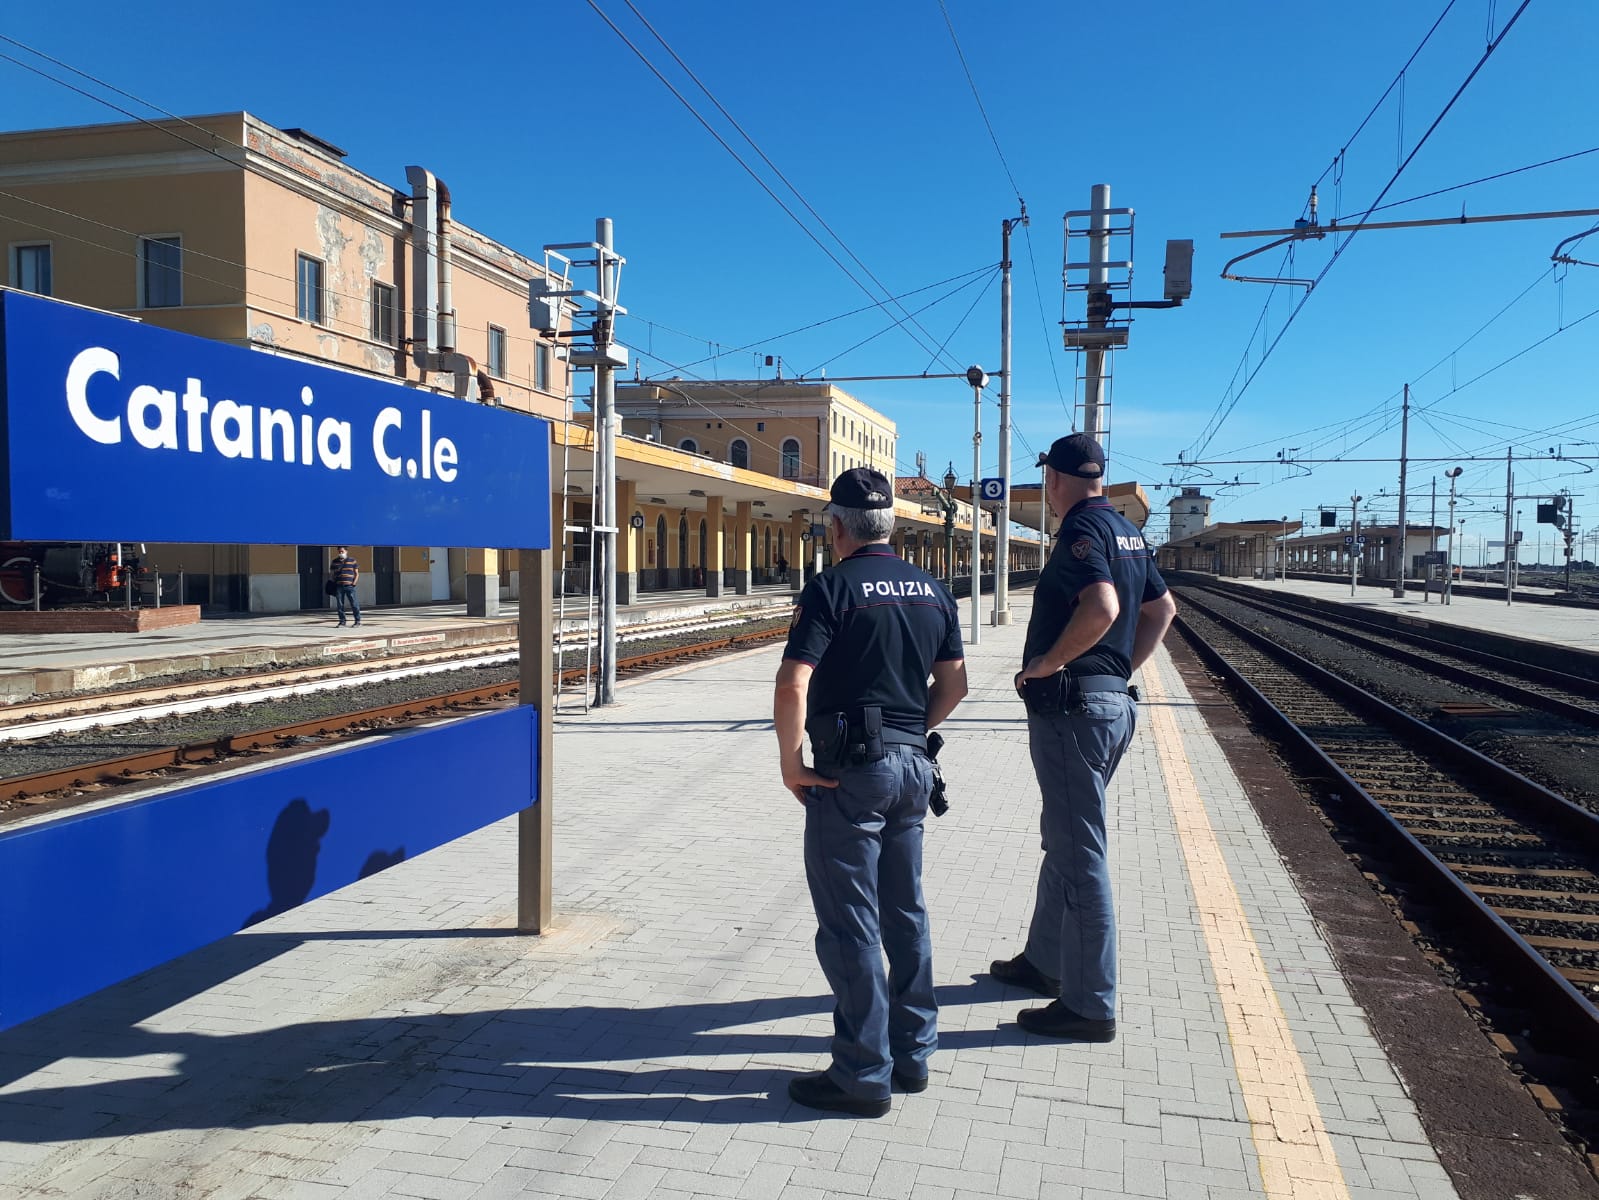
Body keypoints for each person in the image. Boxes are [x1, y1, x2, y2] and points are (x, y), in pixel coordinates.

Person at [774, 467, 968, 1117]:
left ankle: (861, 1073)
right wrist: (909, 733)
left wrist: (789, 759)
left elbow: (792, 683)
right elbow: (954, 686)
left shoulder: (830, 588)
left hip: (850, 772)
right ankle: (911, 1053)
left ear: (835, 527)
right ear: (890, 525)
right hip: (912, 770)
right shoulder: (932, 591)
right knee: (904, 912)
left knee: (849, 924)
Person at [991, 433, 1176, 1041]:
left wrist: (1047, 664)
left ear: (1055, 479)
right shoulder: (1127, 530)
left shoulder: (1080, 533)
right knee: (1067, 836)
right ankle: (1044, 962)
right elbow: (1161, 611)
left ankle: (1091, 1003)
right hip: (1108, 707)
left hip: (1072, 713)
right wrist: (1122, 671)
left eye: (1045, 478)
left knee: (1080, 854)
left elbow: (1101, 606)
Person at [330, 547, 361, 627]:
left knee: (354, 603)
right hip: (339, 586)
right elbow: (332, 573)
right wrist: (334, 581)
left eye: (342, 551)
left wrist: (354, 583)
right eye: (339, 552)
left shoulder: (352, 561)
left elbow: (356, 573)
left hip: (350, 586)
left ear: (346, 551)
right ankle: (342, 621)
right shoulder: (335, 562)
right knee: (340, 605)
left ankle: (357, 621)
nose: (341, 553)